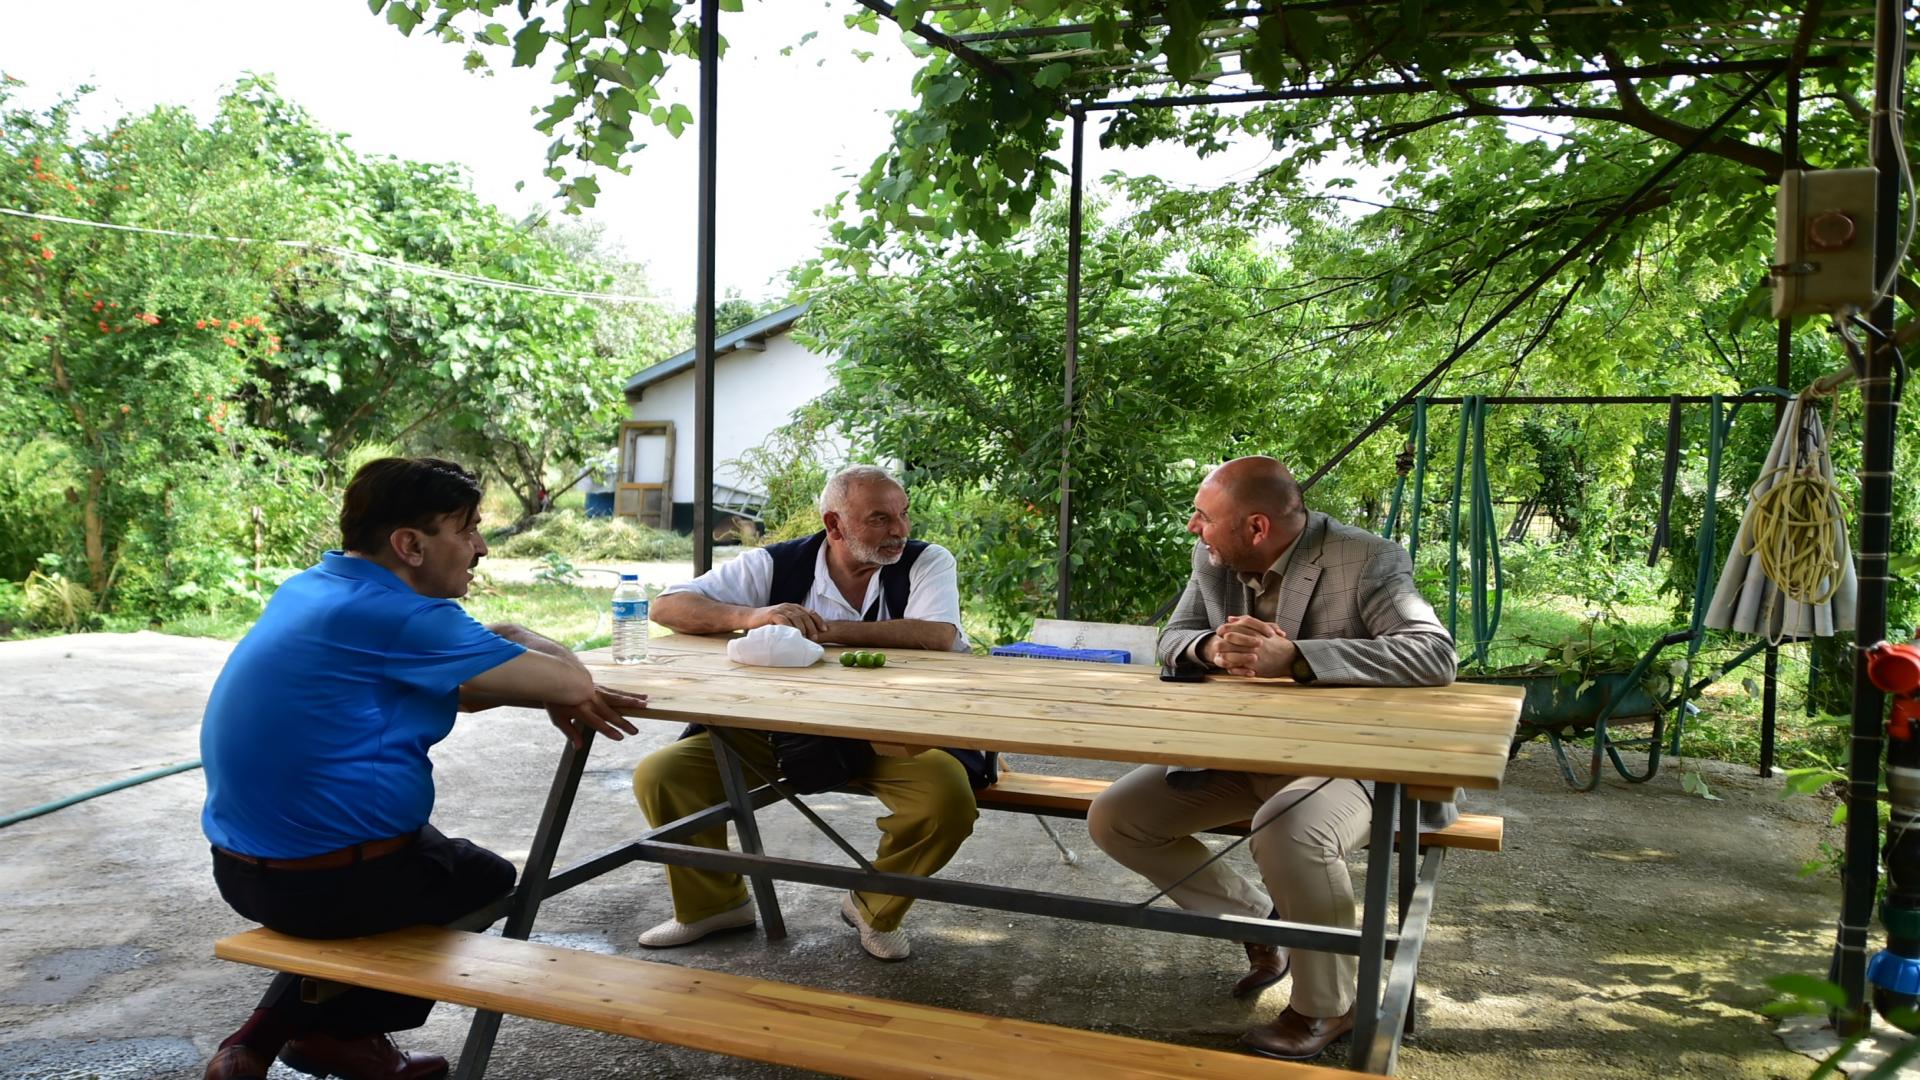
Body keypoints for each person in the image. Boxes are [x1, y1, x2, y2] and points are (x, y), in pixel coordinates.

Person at [200, 458, 646, 1080]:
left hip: (239, 867)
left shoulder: (314, 586)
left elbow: (457, 689)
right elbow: (572, 680)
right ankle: (343, 1037)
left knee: (423, 859)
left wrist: (522, 672)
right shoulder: (405, 616)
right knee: (481, 878)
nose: (481, 547)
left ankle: (264, 1039)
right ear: (409, 544)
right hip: (324, 883)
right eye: (465, 529)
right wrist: (518, 634)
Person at [1086, 456, 1456, 1062]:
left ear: (1255, 527)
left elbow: (1432, 655)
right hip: (1242, 752)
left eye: (1204, 517)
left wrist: (1301, 659)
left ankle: (1328, 1006)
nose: (1192, 528)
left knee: (1288, 830)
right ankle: (1263, 926)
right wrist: (1211, 647)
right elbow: (1171, 638)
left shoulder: (1366, 558)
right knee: (1116, 818)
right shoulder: (1214, 557)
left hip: (1353, 762)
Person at [631, 465, 987, 962]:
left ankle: (873, 905)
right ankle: (713, 905)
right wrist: (751, 616)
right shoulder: (776, 563)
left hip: (896, 733)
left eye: (903, 515)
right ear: (834, 525)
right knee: (663, 774)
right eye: (880, 519)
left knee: (945, 798)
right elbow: (666, 607)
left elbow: (936, 636)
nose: (900, 531)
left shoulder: (927, 561)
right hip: (782, 730)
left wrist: (818, 630)